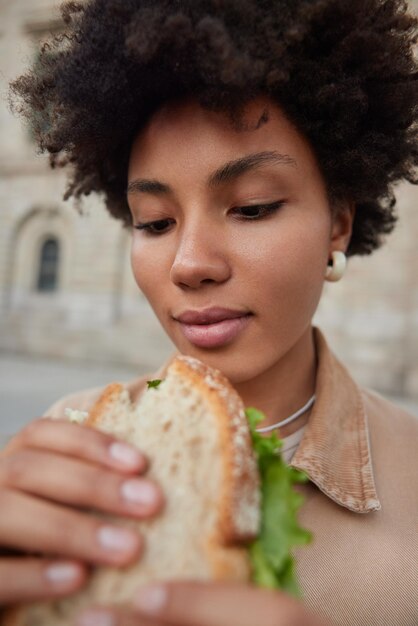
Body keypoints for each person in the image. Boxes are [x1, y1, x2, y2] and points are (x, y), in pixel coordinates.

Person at [1, 0, 417, 624]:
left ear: (338, 221)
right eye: (156, 222)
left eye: (252, 208)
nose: (189, 263)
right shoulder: (68, 442)